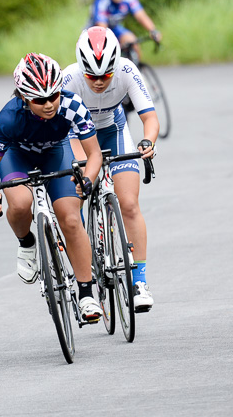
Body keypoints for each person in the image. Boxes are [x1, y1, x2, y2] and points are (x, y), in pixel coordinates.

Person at [0, 53, 105, 321]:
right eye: (39, 100)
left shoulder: (73, 105)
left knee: (71, 219)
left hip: (55, 153)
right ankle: (27, 242)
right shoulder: (9, 117)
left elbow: (94, 154)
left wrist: (87, 179)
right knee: (21, 204)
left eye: (54, 96)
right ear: (24, 98)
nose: (49, 105)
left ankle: (86, 295)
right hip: (18, 157)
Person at [63, 26, 158, 312]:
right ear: (82, 69)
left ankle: (139, 282)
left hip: (113, 130)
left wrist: (147, 141)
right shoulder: (69, 78)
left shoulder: (127, 70)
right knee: (75, 199)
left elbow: (150, 117)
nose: (99, 82)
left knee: (128, 204)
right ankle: (84, 272)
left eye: (106, 75)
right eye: (92, 75)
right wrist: (84, 168)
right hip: (75, 135)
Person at [90, 0, 162, 62]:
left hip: (115, 29)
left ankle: (137, 71)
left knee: (132, 41)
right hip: (96, 33)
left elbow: (141, 16)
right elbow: (102, 27)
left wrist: (153, 30)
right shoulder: (102, 1)